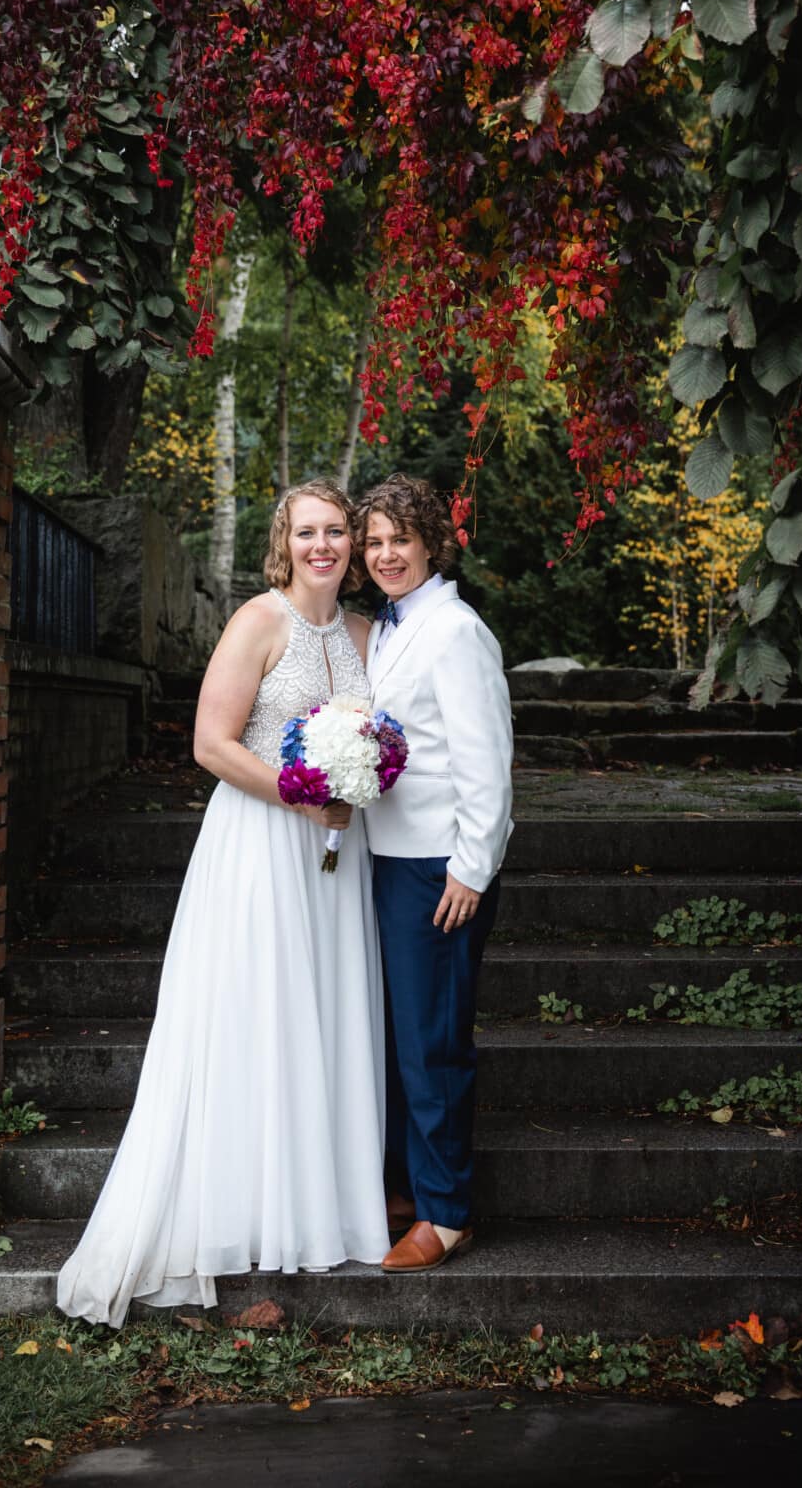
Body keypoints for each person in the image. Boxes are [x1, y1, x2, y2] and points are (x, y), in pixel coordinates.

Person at [57, 479, 389, 1326]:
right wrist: (299, 788)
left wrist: (361, 779)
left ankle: (322, 1204)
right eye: (307, 531)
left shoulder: (362, 632)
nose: (324, 545)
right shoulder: (257, 621)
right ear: (285, 540)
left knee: (323, 1013)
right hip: (257, 846)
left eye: (337, 532)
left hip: (336, 856)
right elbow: (209, 743)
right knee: (253, 1016)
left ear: (353, 543)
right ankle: (239, 1210)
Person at [357, 472, 513, 1272]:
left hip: (439, 872)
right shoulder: (387, 627)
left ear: (431, 544)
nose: (386, 554)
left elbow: (488, 764)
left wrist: (472, 870)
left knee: (434, 1044)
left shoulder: (455, 631)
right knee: (394, 1039)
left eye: (400, 541)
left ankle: (447, 1214)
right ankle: (407, 1187)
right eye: (375, 541)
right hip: (384, 860)